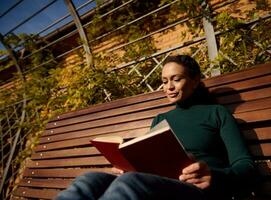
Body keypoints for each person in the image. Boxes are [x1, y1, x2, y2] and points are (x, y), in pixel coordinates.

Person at [55, 55, 257, 200]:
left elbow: (245, 165)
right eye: (164, 81)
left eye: (176, 79)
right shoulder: (161, 118)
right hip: (157, 184)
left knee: (131, 183)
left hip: (198, 189)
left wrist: (214, 175)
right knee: (90, 180)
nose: (168, 87)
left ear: (195, 81)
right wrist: (129, 166)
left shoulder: (216, 113)